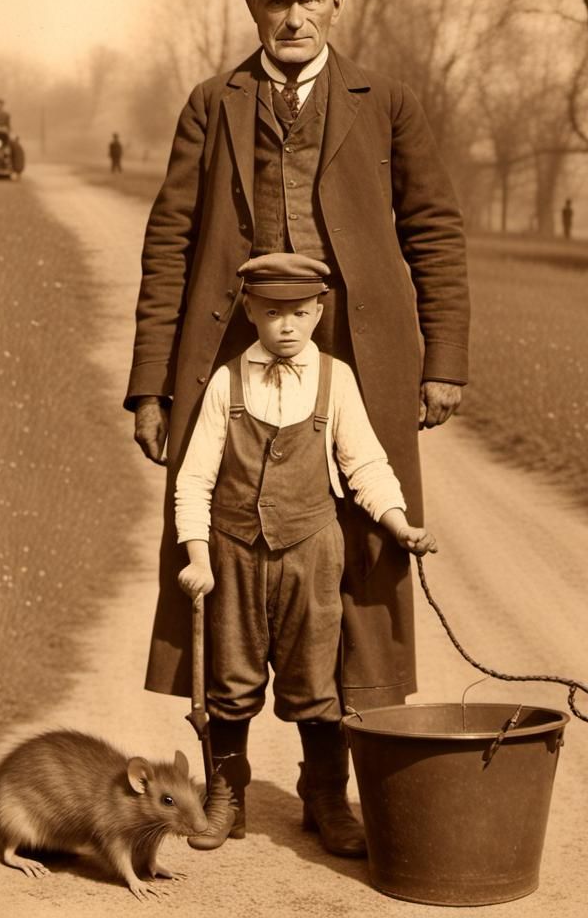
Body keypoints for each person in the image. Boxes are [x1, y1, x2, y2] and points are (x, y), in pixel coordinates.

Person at [126, 0, 469, 855]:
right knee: (226, 572)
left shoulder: (387, 103)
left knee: (353, 569)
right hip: (230, 355)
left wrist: (442, 360)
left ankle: (329, 790)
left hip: (353, 355)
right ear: (252, 10)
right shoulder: (213, 104)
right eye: (277, 1)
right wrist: (153, 387)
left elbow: (435, 229)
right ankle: (225, 785)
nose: (294, 15)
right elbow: (169, 245)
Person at [175, 252, 436, 853]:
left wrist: (400, 526)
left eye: (299, 312)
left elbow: (364, 463)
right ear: (250, 312)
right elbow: (195, 481)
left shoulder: (335, 379)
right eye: (272, 313)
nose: (286, 325)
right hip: (234, 554)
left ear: (319, 311)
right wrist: (197, 555)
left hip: (313, 554)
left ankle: (325, 796)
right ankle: (226, 795)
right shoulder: (227, 382)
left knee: (319, 682)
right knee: (230, 681)